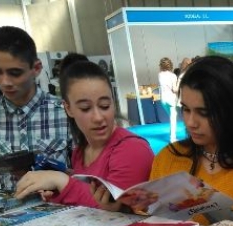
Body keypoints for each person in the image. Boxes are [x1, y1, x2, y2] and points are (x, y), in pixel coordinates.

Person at [147, 56, 233, 225]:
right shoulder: (168, 158)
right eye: (186, 109)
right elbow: (147, 221)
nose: (190, 122)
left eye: (204, 112)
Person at [14, 60, 154, 209]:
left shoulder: (132, 149)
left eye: (104, 106)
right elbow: (86, 204)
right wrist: (55, 191)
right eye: (85, 108)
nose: (98, 117)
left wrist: (62, 182)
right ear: (68, 109)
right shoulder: (80, 151)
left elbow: (118, 209)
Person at [0, 26, 71, 187]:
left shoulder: (64, 112)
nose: (5, 82)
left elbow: (83, 176)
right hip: (10, 209)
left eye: (15, 73)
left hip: (61, 207)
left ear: (36, 68)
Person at [158, 57, 178, 143]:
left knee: (171, 117)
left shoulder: (160, 74)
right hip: (171, 100)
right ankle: (172, 138)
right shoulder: (173, 76)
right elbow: (174, 89)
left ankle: (171, 134)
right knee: (173, 118)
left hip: (163, 99)